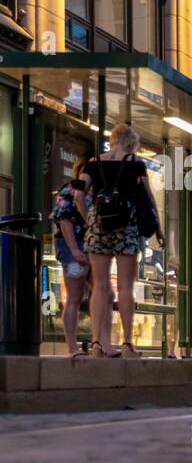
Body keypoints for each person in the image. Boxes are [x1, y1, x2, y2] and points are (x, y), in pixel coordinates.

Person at [75, 123, 165, 358]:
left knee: (100, 286)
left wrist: (89, 219)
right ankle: (126, 344)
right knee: (126, 286)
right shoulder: (135, 163)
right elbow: (148, 196)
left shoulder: (93, 163)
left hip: (99, 224)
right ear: (130, 143)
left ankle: (95, 344)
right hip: (126, 225)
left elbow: (77, 194)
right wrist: (158, 228)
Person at [52, 155, 94, 357]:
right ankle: (72, 347)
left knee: (105, 293)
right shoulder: (69, 190)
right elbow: (64, 220)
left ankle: (99, 342)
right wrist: (75, 250)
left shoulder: (94, 193)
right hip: (73, 245)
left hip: (90, 246)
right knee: (75, 296)